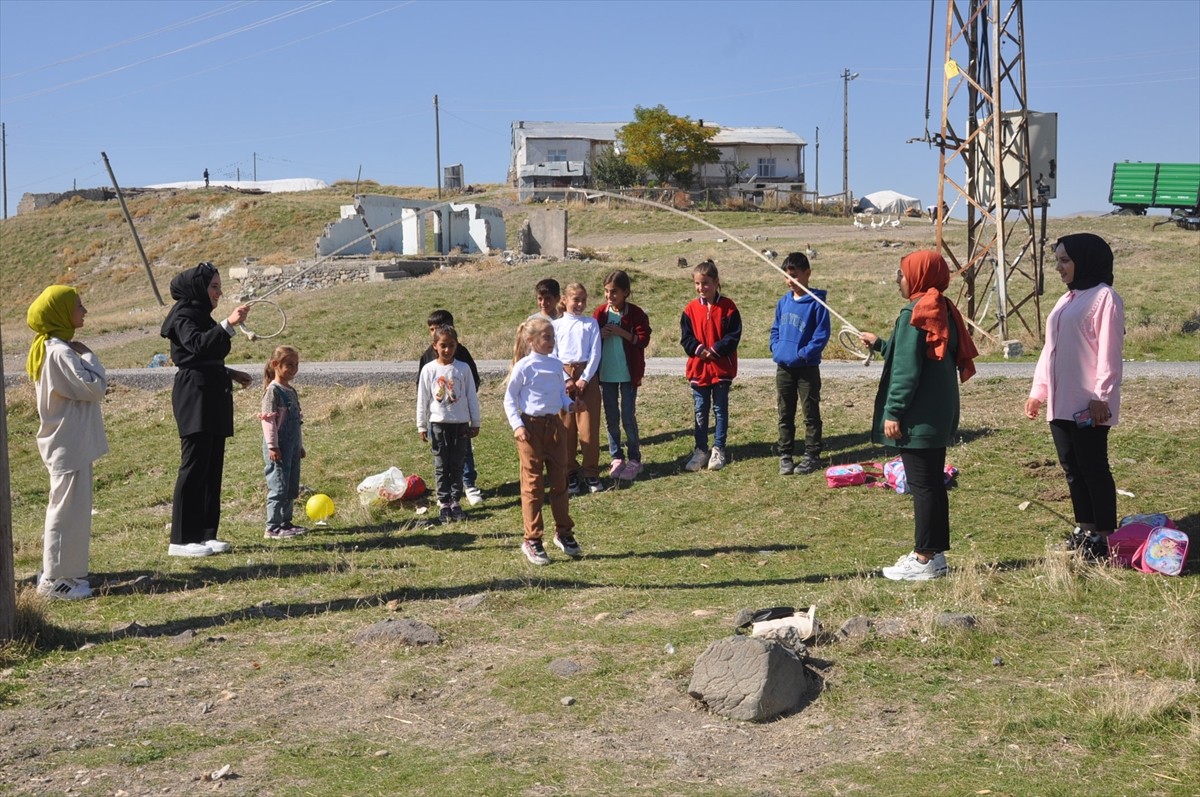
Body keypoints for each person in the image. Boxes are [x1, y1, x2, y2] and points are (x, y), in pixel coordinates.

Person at [859, 251, 978, 581]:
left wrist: (893, 411)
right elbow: (915, 354)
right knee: (933, 486)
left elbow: (906, 370)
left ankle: (923, 558)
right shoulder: (942, 309)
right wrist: (882, 344)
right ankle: (935, 555)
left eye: (902, 273)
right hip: (938, 414)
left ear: (918, 276)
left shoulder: (915, 311)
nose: (898, 279)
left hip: (918, 416)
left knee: (923, 487)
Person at [1024, 233, 1125, 559]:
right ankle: (1086, 529)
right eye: (1057, 260)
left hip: (1088, 404)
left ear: (1085, 260)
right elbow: (1049, 350)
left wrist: (1101, 397)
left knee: (1093, 468)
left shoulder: (1105, 297)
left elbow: (1110, 351)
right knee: (1072, 468)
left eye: (1065, 260)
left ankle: (1105, 537)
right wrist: (1038, 392)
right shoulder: (1066, 300)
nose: (1059, 267)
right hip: (1061, 403)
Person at [160, 262, 253, 557]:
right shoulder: (183, 316)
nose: (218, 292)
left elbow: (207, 357)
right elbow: (197, 346)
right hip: (194, 396)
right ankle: (181, 539)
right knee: (194, 466)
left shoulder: (202, 316)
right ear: (198, 288)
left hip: (213, 393)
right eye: (214, 287)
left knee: (212, 467)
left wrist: (230, 373)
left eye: (219, 287)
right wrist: (228, 324)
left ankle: (205, 534)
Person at [26, 286, 108, 600]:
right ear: (60, 313)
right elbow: (95, 388)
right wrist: (88, 355)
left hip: (69, 441)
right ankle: (56, 581)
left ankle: (68, 574)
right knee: (65, 513)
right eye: (78, 305)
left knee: (72, 511)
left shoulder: (52, 348)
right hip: (67, 443)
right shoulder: (60, 352)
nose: (84, 311)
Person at [503, 317, 579, 565]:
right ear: (531, 340)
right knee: (533, 485)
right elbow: (509, 399)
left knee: (560, 480)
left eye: (553, 337)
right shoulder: (524, 366)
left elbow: (560, 395)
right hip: (530, 430)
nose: (552, 341)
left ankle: (564, 532)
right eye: (547, 337)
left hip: (555, 427)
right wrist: (518, 426)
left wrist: (570, 404)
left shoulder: (556, 365)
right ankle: (532, 538)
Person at [770, 252, 831, 476]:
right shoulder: (783, 302)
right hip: (784, 368)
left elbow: (821, 335)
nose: (790, 281)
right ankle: (785, 454)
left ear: (808, 273)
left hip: (807, 369)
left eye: (795, 276)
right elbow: (775, 329)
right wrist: (776, 348)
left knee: (810, 412)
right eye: (787, 277)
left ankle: (812, 454)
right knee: (785, 412)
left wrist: (803, 354)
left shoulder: (817, 304)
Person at [680, 259, 741, 472]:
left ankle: (718, 448)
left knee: (720, 410)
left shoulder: (729, 307)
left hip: (721, 368)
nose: (701, 288)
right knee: (700, 410)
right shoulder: (690, 309)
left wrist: (714, 351)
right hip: (699, 369)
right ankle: (700, 450)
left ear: (716, 282)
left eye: (705, 283)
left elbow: (733, 336)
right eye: (697, 283)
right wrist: (699, 350)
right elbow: (686, 338)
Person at [417, 325, 481, 524]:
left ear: (457, 345)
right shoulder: (429, 369)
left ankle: (455, 501)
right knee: (441, 464)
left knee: (457, 464)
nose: (447, 350)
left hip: (461, 424)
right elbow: (422, 399)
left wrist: (475, 422)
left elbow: (471, 396)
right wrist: (421, 425)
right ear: (435, 346)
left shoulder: (463, 368)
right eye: (443, 345)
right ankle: (443, 502)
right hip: (438, 425)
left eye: (451, 345)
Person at [593, 269, 652, 482]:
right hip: (606, 375)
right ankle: (616, 457)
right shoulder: (599, 313)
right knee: (611, 417)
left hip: (628, 375)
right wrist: (599, 335)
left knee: (628, 416)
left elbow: (643, 340)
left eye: (614, 292)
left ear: (626, 292)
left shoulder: (635, 313)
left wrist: (621, 332)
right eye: (606, 291)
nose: (609, 296)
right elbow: (590, 341)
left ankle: (635, 459)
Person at [554, 283, 603, 495]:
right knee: (566, 428)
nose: (580, 304)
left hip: (587, 377)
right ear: (565, 300)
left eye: (584, 300)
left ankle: (591, 472)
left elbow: (595, 353)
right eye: (576, 300)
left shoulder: (590, 324)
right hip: (562, 376)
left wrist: (584, 378)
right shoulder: (556, 326)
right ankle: (570, 472)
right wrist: (566, 378)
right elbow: (553, 354)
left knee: (588, 428)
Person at [259, 345, 307, 540]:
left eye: (296, 365)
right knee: (278, 486)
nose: (293, 369)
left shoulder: (291, 391)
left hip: (292, 447)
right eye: (289, 365)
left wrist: (299, 445)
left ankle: (286, 523)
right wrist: (273, 446)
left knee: (290, 485)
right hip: (278, 449)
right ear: (275, 364)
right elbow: (268, 422)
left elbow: (297, 423)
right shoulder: (273, 391)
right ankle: (272, 527)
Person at [512, 279, 562, 362]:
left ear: (557, 299)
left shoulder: (563, 319)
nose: (543, 303)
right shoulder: (532, 321)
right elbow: (525, 347)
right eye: (540, 299)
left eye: (547, 299)